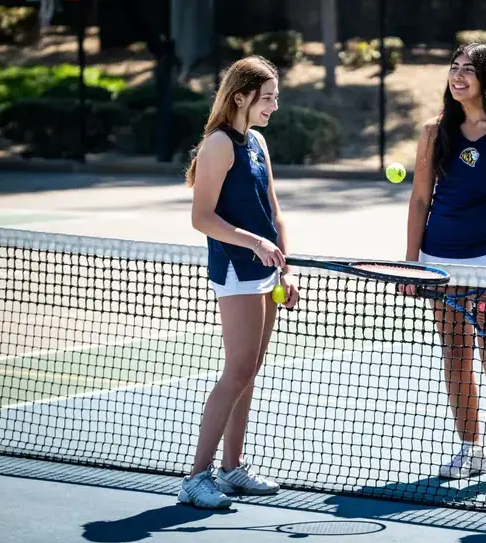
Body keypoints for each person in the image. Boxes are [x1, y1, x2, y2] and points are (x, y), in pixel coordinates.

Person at [404, 43, 486, 487]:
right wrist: (411, 263)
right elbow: (420, 198)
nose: (457, 76)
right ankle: (470, 449)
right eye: (453, 68)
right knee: (455, 355)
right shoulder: (433, 131)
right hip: (439, 262)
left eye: (468, 70)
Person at [178, 55, 300, 509]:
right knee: (236, 372)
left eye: (275, 98)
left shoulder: (257, 143)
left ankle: (231, 468)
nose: (273, 106)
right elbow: (201, 218)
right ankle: (195, 477)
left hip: (266, 270)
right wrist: (253, 243)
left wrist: (285, 265)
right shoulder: (218, 145)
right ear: (240, 97)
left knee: (248, 372)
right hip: (235, 269)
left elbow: (273, 207)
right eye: (267, 98)